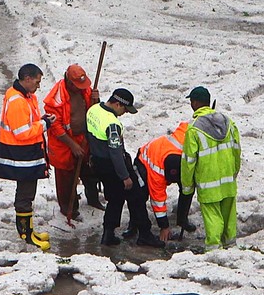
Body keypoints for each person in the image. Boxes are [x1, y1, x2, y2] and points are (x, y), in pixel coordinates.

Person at [86, 88, 161, 247]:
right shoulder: (112, 124)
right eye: (125, 109)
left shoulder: (93, 110)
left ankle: (108, 233)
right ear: (118, 104)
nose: (125, 113)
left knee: (115, 198)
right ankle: (144, 233)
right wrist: (125, 176)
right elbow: (115, 153)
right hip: (113, 165)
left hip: (98, 163)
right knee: (137, 196)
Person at [0, 63, 56, 251]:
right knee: (25, 195)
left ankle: (28, 231)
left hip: (24, 154)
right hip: (21, 156)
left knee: (27, 193)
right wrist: (45, 124)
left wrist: (41, 121)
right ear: (28, 79)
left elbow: (29, 122)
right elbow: (22, 132)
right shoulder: (18, 101)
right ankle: (26, 234)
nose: (39, 86)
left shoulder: (25, 96)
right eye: (37, 82)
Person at [180, 86, 242, 249]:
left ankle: (214, 248)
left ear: (194, 103)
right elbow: (237, 149)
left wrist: (187, 186)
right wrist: (234, 171)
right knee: (228, 214)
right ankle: (230, 243)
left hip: (208, 181)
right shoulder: (228, 122)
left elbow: (189, 160)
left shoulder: (193, 128)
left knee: (212, 215)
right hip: (228, 178)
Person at [43, 64, 103, 221]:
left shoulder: (86, 90)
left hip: (84, 138)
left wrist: (96, 100)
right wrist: (73, 145)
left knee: (90, 171)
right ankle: (69, 209)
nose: (82, 88)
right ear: (69, 82)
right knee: (66, 178)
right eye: (78, 85)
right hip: (63, 144)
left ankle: (93, 199)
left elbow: (93, 111)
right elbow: (55, 126)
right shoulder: (55, 99)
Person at [135, 122, 195, 242]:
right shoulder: (157, 172)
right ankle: (137, 226)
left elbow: (187, 126)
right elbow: (158, 200)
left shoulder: (186, 141)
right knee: (139, 195)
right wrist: (164, 226)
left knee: (187, 188)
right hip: (144, 161)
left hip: (170, 159)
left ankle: (182, 219)